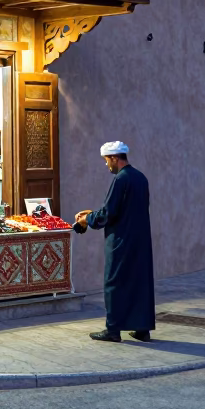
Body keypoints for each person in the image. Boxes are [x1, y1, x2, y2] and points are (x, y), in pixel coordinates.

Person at [74, 141, 155, 343]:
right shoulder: (140, 178)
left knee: (114, 283)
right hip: (141, 241)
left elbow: (109, 213)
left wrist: (88, 219)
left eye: (106, 161)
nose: (106, 165)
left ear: (114, 158)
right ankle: (142, 328)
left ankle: (112, 330)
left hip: (121, 241)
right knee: (139, 282)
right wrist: (93, 213)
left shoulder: (121, 180)